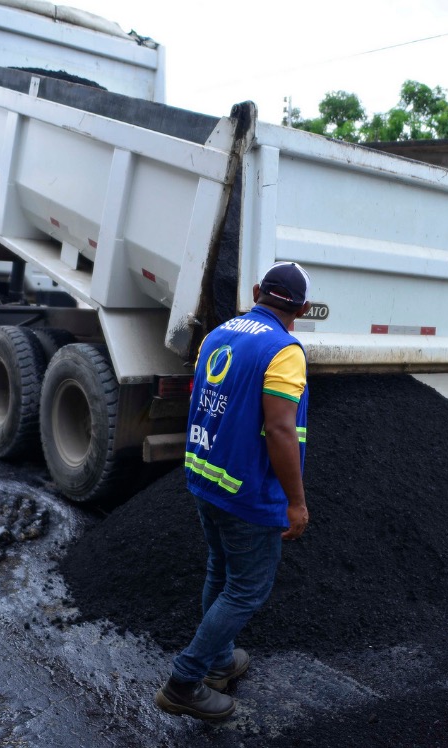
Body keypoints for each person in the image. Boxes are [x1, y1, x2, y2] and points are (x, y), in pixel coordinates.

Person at [154, 261, 312, 721]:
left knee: (220, 573)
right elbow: (281, 431)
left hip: (206, 476)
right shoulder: (285, 350)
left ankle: (220, 662)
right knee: (245, 590)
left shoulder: (217, 335)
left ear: (259, 290)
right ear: (300, 309)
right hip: (248, 491)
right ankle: (185, 681)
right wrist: (296, 502)